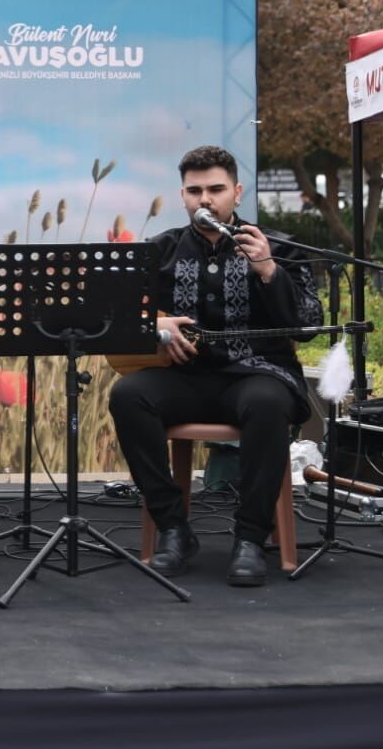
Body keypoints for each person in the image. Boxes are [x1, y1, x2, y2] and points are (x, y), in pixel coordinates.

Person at [108, 145, 322, 586]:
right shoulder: (159, 250)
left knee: (267, 404)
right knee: (128, 396)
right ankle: (173, 528)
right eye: (194, 191)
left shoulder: (279, 247)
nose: (205, 199)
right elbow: (113, 319)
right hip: (184, 380)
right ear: (183, 196)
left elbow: (308, 326)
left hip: (256, 375)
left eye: (216, 189)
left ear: (236, 193)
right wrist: (156, 323)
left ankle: (249, 538)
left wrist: (267, 271)